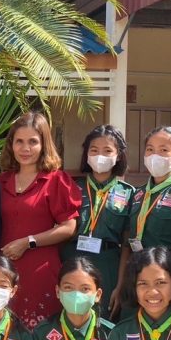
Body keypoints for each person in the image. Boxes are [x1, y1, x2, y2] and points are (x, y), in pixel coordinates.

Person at [0, 111, 80, 330]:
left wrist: (28, 242)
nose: (25, 148)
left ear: (44, 145)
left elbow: (69, 227)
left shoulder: (56, 181)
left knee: (41, 336)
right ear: (11, 144)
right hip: (4, 271)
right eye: (19, 141)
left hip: (40, 272)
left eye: (33, 142)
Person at [61, 125, 134, 319]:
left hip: (107, 262)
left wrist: (120, 284)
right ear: (86, 154)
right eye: (94, 150)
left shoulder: (129, 193)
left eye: (107, 150)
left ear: (118, 155)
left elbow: (127, 244)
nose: (100, 155)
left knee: (103, 318)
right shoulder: (71, 187)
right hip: (72, 257)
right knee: (71, 316)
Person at [126, 126, 171, 287]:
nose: (154, 156)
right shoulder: (139, 194)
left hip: (168, 275)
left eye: (163, 150)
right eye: (150, 149)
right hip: (137, 272)